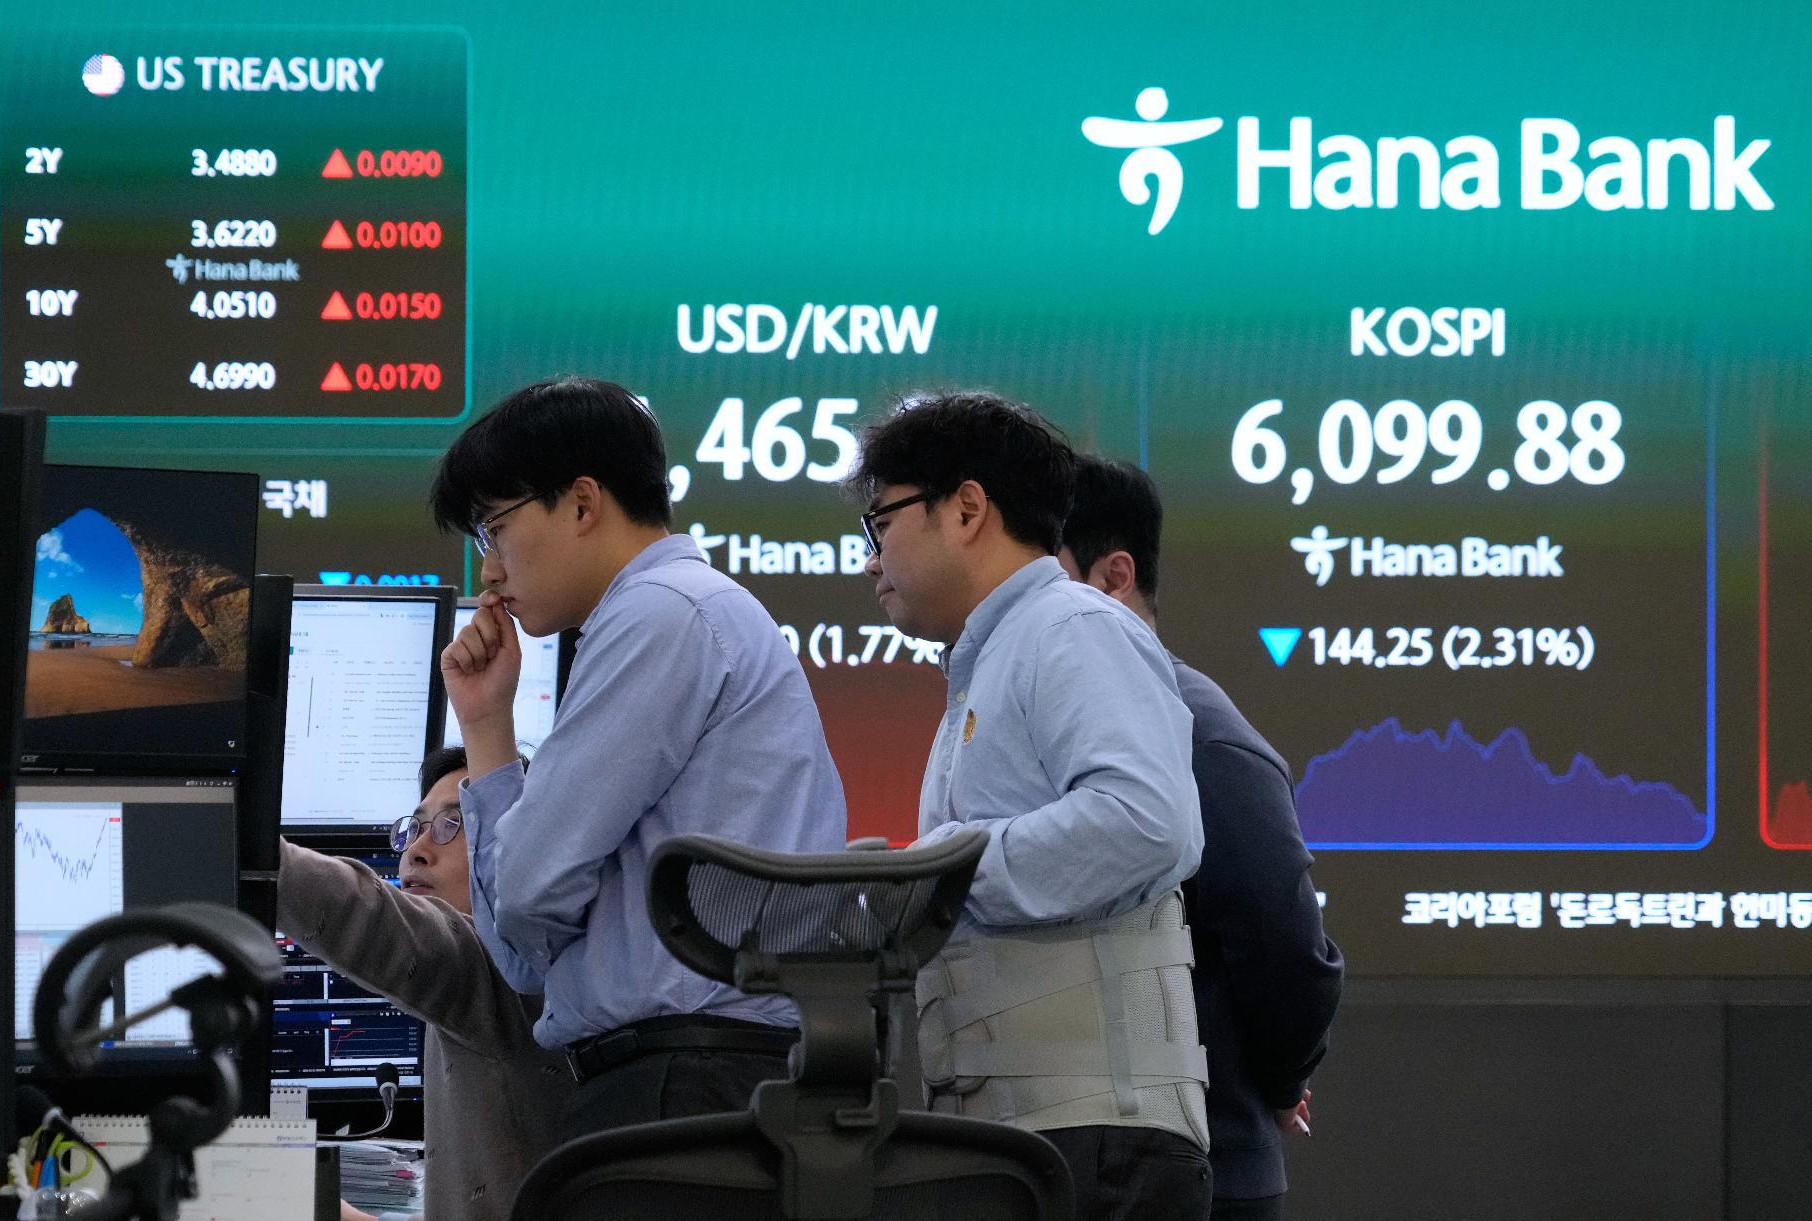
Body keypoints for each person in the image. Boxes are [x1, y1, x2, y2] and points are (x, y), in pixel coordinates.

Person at [432, 376, 848, 1142]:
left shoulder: (659, 614)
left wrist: (533, 905)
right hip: (701, 1075)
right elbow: (522, 955)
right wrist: (486, 725)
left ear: (583, 503)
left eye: (494, 528)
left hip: (683, 1082)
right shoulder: (684, 611)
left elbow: (523, 893)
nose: (487, 570)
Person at [851, 391, 1212, 1219]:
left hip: (1095, 1143)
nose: (869, 560)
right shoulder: (992, 658)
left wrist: (937, 872)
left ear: (967, 508)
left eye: (881, 523)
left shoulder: (1069, 628)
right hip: (1024, 1141)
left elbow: (1147, 820)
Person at [1059, 456, 1344, 1221]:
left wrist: (1282, 1080)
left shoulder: (1197, 733)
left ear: (1113, 576)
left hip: (1203, 1170)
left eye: (1036, 581)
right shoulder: (1051, 720)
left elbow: (1286, 943)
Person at [276, 745, 574, 1221]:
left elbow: (362, 913)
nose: (416, 850)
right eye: (414, 828)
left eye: (452, 825)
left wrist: (237, 840)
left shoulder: (511, 969)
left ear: (518, 849)